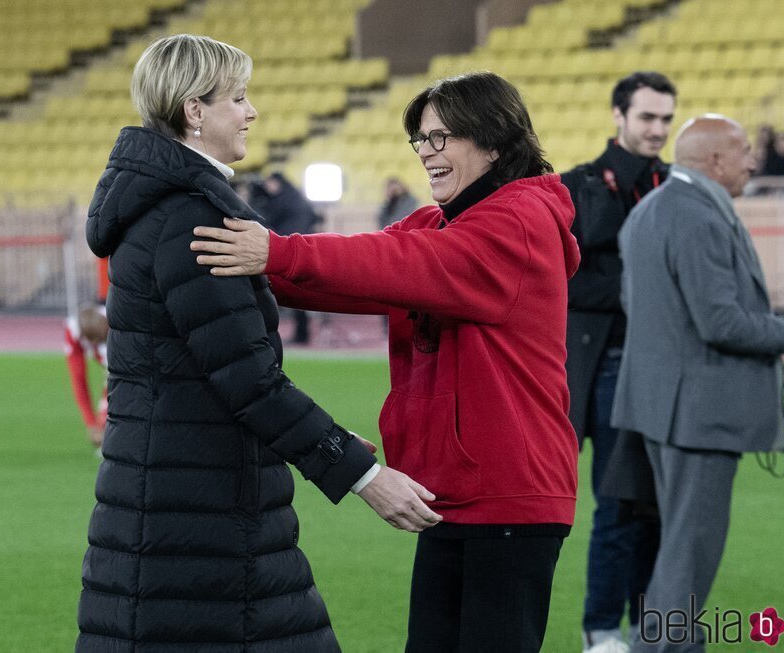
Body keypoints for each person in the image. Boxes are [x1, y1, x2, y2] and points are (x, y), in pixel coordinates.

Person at [75, 34, 441, 653]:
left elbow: (213, 369)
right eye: (238, 98)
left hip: (170, 497)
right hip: (201, 510)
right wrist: (365, 476)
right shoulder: (194, 220)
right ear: (194, 111)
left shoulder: (160, 208)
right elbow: (247, 381)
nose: (252, 112)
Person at [191, 71, 580, 653]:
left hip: (511, 492)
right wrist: (238, 262)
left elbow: (394, 262)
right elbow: (353, 282)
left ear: (496, 142)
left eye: (442, 137)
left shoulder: (517, 220)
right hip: (459, 491)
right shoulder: (441, 224)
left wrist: (278, 250)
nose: (427, 153)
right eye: (421, 140)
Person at [612, 115, 784, 652]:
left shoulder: (650, 209)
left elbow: (643, 309)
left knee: (679, 549)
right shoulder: (696, 216)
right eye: (745, 151)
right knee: (688, 555)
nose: (753, 161)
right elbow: (720, 323)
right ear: (715, 160)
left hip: (665, 407)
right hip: (698, 415)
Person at [560, 71, 676, 653]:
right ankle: (603, 628)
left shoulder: (679, 186)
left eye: (665, 119)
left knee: (659, 507)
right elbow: (562, 282)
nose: (657, 129)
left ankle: (650, 627)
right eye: (648, 117)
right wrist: (641, 288)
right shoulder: (576, 186)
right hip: (606, 364)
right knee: (618, 501)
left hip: (669, 369)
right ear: (619, 115)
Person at [251, 172, 321, 343]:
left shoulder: (283, 201)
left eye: (270, 183)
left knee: (296, 297)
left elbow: (266, 221)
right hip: (302, 250)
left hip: (290, 252)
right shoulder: (296, 198)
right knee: (300, 297)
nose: (268, 187)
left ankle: (300, 334)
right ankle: (302, 333)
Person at [64, 303, 108, 451]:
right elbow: (78, 379)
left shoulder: (117, 329)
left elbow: (114, 382)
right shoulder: (72, 332)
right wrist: (91, 423)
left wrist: (102, 421)